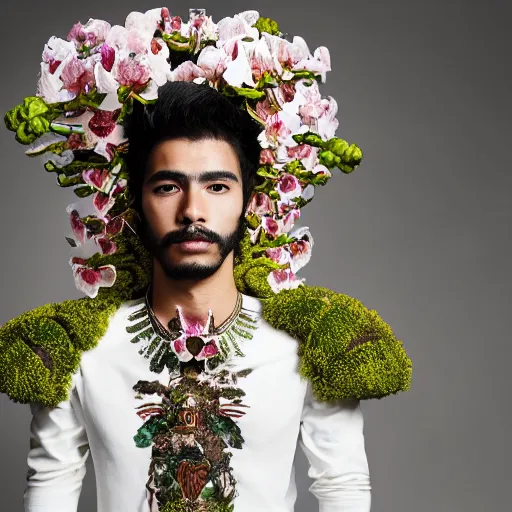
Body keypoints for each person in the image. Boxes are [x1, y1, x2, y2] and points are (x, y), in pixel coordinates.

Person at [0, 8, 412, 512]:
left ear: (251, 199)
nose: (192, 211)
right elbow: (49, 492)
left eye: (217, 186)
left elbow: (343, 488)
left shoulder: (312, 344)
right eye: (168, 186)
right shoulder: (76, 350)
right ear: (134, 200)